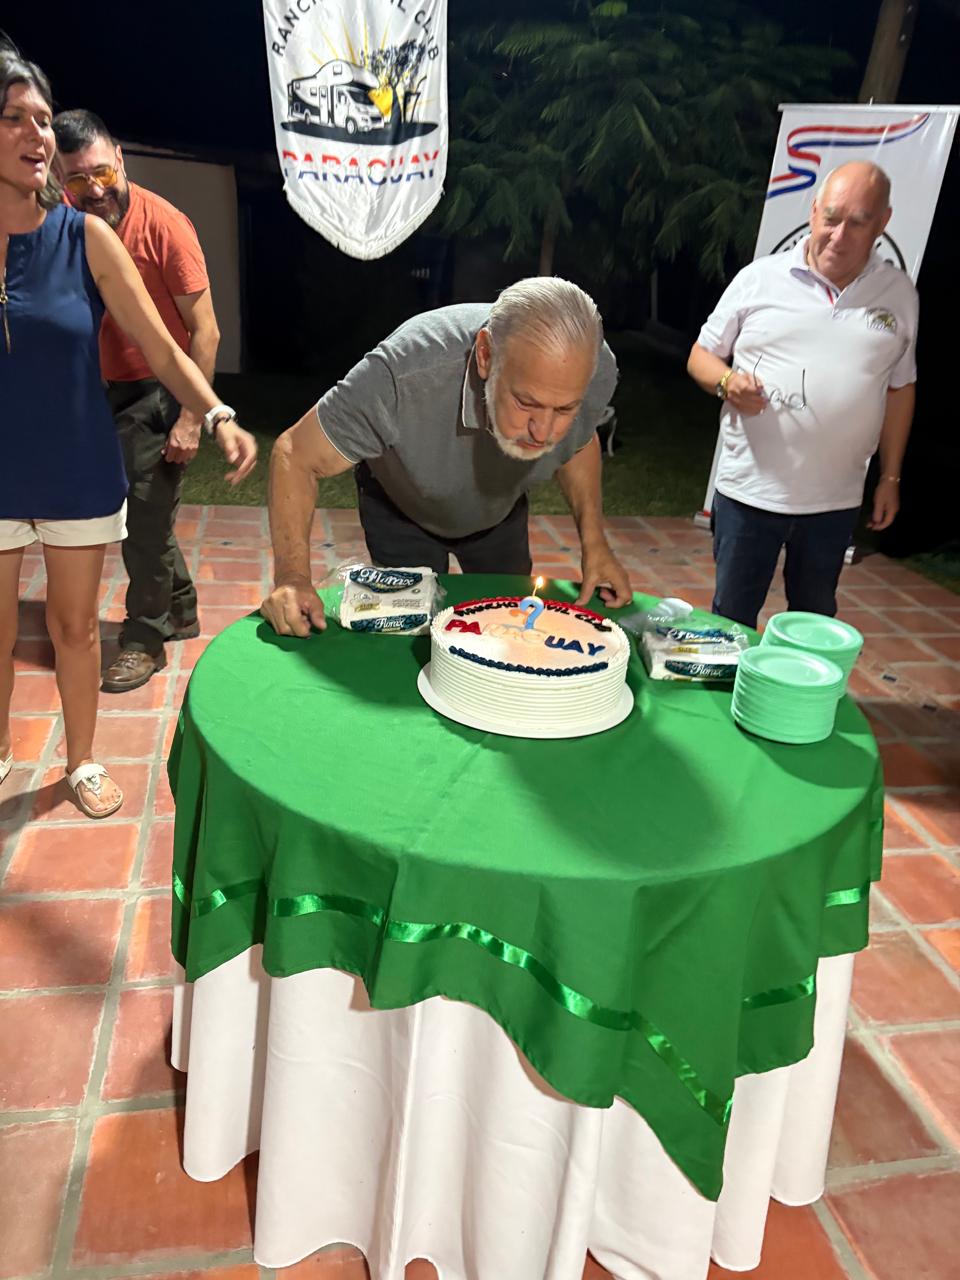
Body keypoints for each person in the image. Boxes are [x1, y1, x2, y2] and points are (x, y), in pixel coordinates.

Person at [0, 51, 256, 816]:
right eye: (14, 118)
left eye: (42, 119)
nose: (36, 134)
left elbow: (169, 344)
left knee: (76, 629)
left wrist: (213, 413)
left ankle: (81, 762)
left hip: (77, 464)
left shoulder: (86, 237)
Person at [260, 277, 632, 637]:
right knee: (407, 639)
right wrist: (292, 579)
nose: (544, 431)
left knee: (509, 631)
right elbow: (295, 454)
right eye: (526, 402)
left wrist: (595, 544)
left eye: (564, 409)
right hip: (401, 508)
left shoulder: (593, 370)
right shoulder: (401, 375)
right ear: (485, 355)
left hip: (500, 513)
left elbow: (579, 443)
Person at [687, 161, 918, 629]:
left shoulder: (898, 293)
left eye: (858, 222)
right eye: (831, 218)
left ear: (883, 223)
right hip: (749, 493)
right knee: (731, 622)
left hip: (834, 501)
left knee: (813, 627)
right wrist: (727, 382)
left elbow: (900, 386)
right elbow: (700, 356)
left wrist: (890, 477)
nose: (839, 235)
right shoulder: (759, 279)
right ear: (814, 212)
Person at [53, 109, 217, 692]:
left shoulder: (165, 226)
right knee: (146, 514)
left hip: (157, 390)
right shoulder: (63, 221)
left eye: (102, 172)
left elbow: (206, 331)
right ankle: (180, 607)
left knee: (141, 521)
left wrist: (191, 419)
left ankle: (144, 639)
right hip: (96, 391)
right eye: (78, 179)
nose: (95, 189)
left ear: (120, 158)